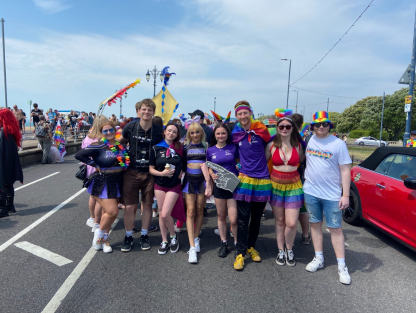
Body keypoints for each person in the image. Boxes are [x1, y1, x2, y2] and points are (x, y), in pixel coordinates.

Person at [303, 111, 352, 285]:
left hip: (332, 194)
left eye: (324, 124)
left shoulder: (338, 144)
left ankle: (341, 266)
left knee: (335, 229)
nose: (321, 127)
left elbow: (346, 170)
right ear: (313, 127)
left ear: (330, 125)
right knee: (315, 225)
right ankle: (319, 258)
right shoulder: (309, 140)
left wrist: (345, 195)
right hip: (311, 191)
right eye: (317, 124)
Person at [75, 120, 129, 253]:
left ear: (114, 130)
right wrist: (94, 165)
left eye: (111, 130)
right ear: (101, 132)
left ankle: (105, 240)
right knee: (113, 211)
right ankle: (98, 236)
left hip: (117, 181)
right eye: (105, 131)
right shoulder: (97, 146)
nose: (109, 132)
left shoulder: (121, 146)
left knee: (107, 214)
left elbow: (126, 162)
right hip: (103, 181)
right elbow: (79, 155)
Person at [119, 99, 163, 252]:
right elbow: (120, 143)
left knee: (147, 205)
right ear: (138, 111)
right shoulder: (130, 127)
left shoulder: (158, 130)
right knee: (130, 206)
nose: (146, 112)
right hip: (132, 171)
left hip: (150, 172)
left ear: (153, 112)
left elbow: (165, 146)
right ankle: (129, 236)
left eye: (149, 110)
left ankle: (144, 235)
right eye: (143, 109)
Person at [231, 101, 272, 270]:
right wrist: (238, 167)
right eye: (239, 114)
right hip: (245, 180)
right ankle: (240, 253)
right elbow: (232, 153)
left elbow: (271, 148)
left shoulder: (262, 130)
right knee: (243, 219)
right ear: (237, 116)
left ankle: (250, 247)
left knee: (256, 218)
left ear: (250, 113)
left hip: (262, 180)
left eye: (245, 113)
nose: (243, 117)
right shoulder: (236, 132)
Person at [265, 115, 305, 266]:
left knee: (292, 222)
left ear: (292, 128)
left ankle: (290, 248)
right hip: (275, 184)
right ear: (277, 128)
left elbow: (301, 162)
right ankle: (281, 250)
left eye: (288, 127)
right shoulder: (271, 145)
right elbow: (262, 164)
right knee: (280, 221)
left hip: (294, 185)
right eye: (281, 127)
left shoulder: (299, 145)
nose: (284, 129)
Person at [149, 122, 184, 255]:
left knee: (164, 214)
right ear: (164, 131)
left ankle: (173, 237)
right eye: (169, 131)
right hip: (159, 184)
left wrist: (182, 172)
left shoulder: (180, 148)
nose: (171, 133)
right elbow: (151, 169)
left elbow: (185, 164)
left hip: (174, 184)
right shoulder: (156, 148)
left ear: (177, 135)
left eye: (174, 132)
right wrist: (161, 173)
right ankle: (164, 240)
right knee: (161, 213)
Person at [182, 122, 212, 263]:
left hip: (202, 181)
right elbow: (181, 164)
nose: (194, 135)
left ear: (201, 133)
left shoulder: (206, 147)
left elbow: (210, 164)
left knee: (200, 210)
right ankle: (192, 247)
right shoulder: (185, 147)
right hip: (189, 180)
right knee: (191, 211)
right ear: (189, 134)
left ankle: (196, 237)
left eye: (197, 132)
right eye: (192, 133)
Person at [207, 123, 239, 258]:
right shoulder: (210, 150)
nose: (221, 136)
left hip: (233, 186)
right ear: (215, 135)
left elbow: (239, 163)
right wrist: (211, 174)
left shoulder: (233, 148)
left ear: (227, 135)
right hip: (219, 187)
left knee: (233, 219)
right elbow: (209, 165)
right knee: (221, 216)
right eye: (218, 133)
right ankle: (224, 243)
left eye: (223, 133)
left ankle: (237, 244)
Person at [82, 116, 109, 232]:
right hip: (100, 169)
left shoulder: (87, 137)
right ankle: (97, 222)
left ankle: (93, 218)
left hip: (90, 169)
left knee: (93, 195)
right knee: (101, 197)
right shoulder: (102, 139)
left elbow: (82, 155)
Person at [290, 113, 310, 244]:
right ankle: (305, 235)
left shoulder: (281, 138)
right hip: (299, 178)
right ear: (301, 125)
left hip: (281, 179)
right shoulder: (302, 142)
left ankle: (287, 238)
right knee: (302, 209)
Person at [0, 109, 23, 218]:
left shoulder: (3, 132)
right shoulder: (11, 131)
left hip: (3, 162)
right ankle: (10, 206)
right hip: (10, 162)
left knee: (2, 184)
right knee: (8, 184)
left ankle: (2, 209)